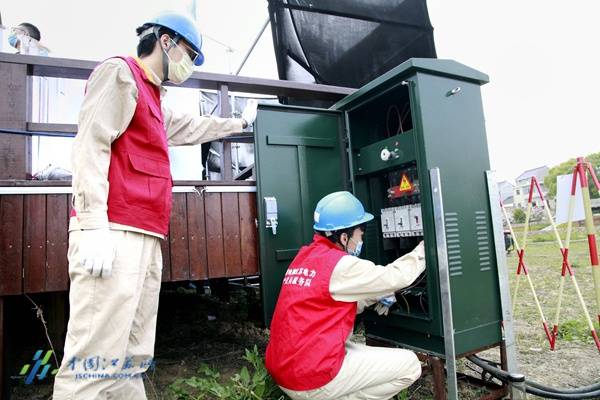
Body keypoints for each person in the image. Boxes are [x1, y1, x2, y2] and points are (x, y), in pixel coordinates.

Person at [52, 12, 258, 399]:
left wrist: (237, 123)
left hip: (144, 236)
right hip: (112, 232)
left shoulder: (153, 99)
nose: (190, 65)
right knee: (92, 362)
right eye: (190, 54)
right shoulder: (120, 74)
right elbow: (90, 144)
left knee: (131, 356)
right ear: (166, 41)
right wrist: (93, 222)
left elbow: (190, 127)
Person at [265, 191, 425, 400]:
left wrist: (375, 295)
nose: (361, 239)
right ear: (343, 236)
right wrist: (425, 248)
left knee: (352, 348)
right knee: (411, 365)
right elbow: (396, 277)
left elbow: (328, 301)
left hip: (286, 367)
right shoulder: (341, 265)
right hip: (309, 377)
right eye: (360, 233)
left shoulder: (305, 256)